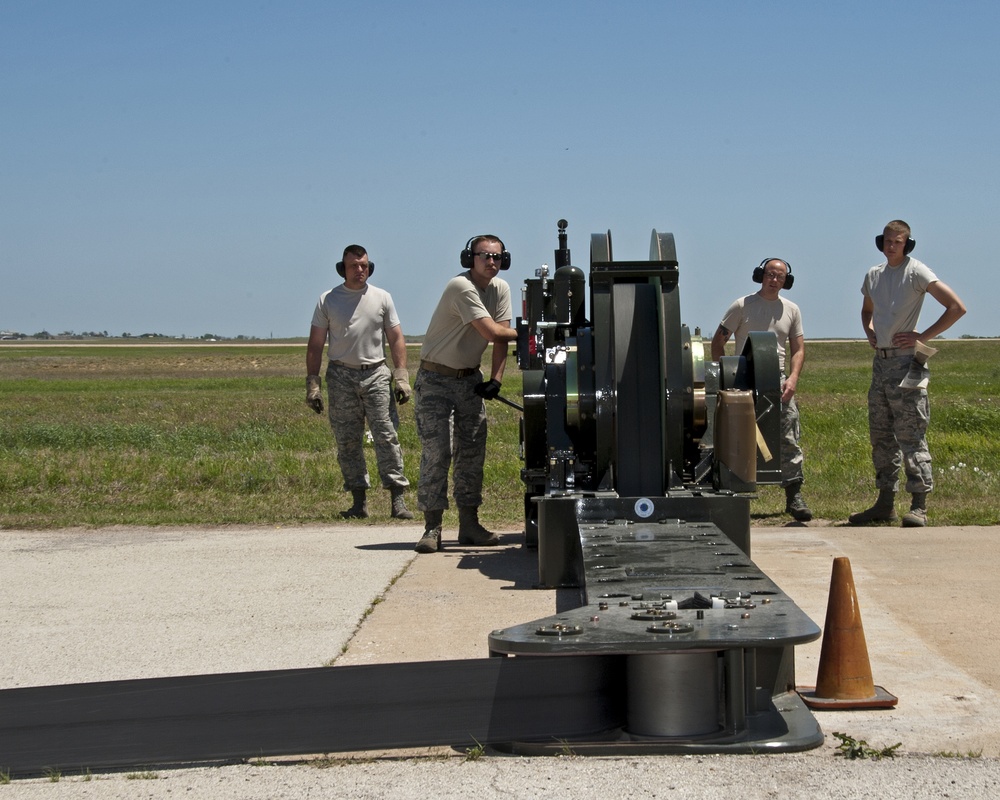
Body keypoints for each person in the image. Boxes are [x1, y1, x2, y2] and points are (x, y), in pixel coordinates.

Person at [849, 220, 966, 527]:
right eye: (887, 241)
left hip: (906, 364)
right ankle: (884, 504)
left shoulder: (918, 272)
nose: (891, 246)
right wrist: (869, 331)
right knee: (881, 436)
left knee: (911, 435)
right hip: (881, 364)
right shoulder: (874, 275)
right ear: (881, 242)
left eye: (898, 242)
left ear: (907, 244)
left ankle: (919, 505)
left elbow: (956, 307)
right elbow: (867, 310)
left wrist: (921, 336)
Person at [412, 235, 519, 554]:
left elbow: (502, 341)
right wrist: (532, 331)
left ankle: (469, 525)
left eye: (498, 257)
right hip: (436, 379)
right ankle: (432, 527)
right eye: (484, 256)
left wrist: (496, 381)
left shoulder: (500, 289)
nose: (491, 262)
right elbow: (492, 332)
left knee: (472, 454)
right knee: (438, 451)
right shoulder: (461, 287)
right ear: (468, 259)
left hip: (470, 379)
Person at [306, 244, 414, 520]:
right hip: (341, 375)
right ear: (343, 268)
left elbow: (396, 338)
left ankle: (397, 500)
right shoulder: (328, 300)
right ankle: (358, 501)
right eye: (354, 265)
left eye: (364, 265)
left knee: (386, 436)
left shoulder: (382, 298)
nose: (359, 270)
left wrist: (401, 378)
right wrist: (313, 384)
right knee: (347, 440)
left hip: (376, 373)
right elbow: (316, 344)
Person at [711, 258, 812, 522]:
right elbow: (718, 341)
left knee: (787, 436)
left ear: (786, 281)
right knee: (733, 436)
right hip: (743, 378)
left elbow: (798, 349)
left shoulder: (791, 310)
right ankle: (731, 493)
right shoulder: (742, 305)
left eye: (780, 276)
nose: (774, 279)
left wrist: (792, 378)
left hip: (776, 380)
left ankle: (794, 496)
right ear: (760, 276)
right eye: (770, 274)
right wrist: (725, 373)